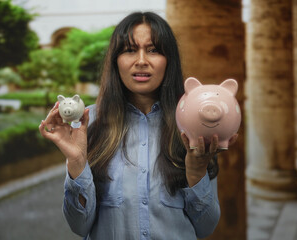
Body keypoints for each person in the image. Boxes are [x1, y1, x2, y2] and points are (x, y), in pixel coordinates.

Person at [39, 11, 237, 240]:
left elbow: (205, 228)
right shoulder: (87, 122)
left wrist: (196, 171)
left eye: (153, 50)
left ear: (169, 60)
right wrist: (76, 163)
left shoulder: (192, 125)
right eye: (130, 50)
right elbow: (79, 226)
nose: (141, 61)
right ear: (115, 60)